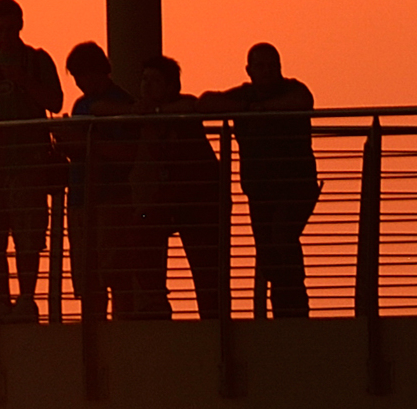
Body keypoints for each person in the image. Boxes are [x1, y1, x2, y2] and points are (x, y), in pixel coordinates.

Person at [0, 0, 65, 320]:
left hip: (29, 163)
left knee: (28, 235)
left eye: (8, 27)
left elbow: (56, 101)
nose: (3, 33)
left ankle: (26, 299)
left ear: (20, 23)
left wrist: (22, 80)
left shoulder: (37, 60)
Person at [207, 43, 319, 317]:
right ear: (249, 70)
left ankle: (295, 309)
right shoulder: (244, 95)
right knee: (268, 250)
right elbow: (206, 102)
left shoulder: (293, 89)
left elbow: (303, 101)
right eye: (262, 66)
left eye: (273, 65)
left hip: (296, 187)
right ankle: (281, 310)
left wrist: (261, 109)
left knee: (282, 236)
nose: (269, 71)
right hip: (260, 191)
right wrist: (248, 107)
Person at [56, 41, 151, 319]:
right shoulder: (81, 105)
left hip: (111, 199)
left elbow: (125, 154)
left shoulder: (121, 103)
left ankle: (120, 326)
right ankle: (93, 326)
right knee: (87, 276)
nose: (79, 84)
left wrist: (86, 142)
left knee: (116, 272)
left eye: (81, 76)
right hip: (81, 198)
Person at [137, 56, 229, 321]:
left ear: (170, 85)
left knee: (206, 267)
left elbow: (191, 106)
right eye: (144, 80)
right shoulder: (147, 115)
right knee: (140, 226)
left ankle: (214, 322)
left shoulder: (181, 107)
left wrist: (152, 113)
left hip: (202, 203)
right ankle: (155, 301)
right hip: (173, 200)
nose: (147, 87)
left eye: (154, 81)